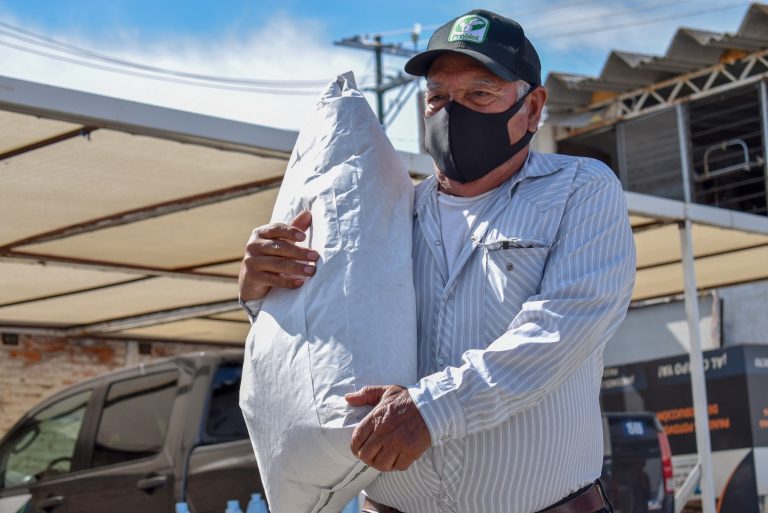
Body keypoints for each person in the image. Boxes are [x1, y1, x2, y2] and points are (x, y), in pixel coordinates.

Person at [239, 9, 635, 513]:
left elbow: (565, 326)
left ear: (533, 108)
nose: (453, 113)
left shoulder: (580, 190)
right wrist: (262, 291)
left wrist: (432, 409)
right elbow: (322, 332)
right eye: (438, 97)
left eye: (479, 94)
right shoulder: (387, 211)